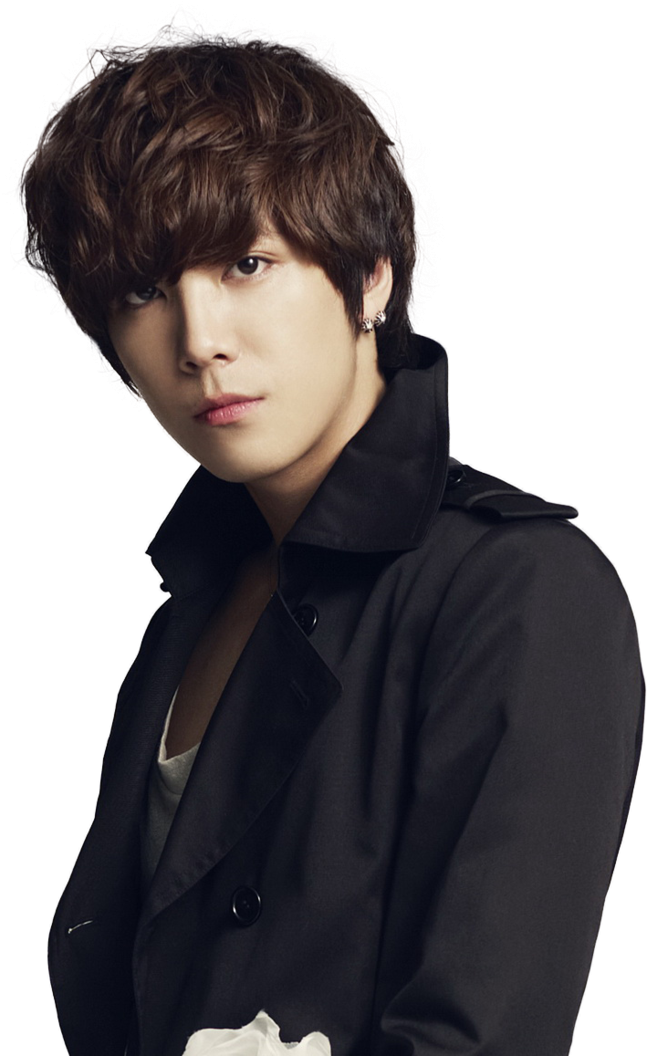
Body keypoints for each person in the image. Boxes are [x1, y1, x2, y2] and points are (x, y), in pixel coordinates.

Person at [21, 33, 644, 1056]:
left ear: (368, 276)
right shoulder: (190, 608)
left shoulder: (518, 588)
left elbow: (481, 1035)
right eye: (142, 291)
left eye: (245, 263)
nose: (198, 339)